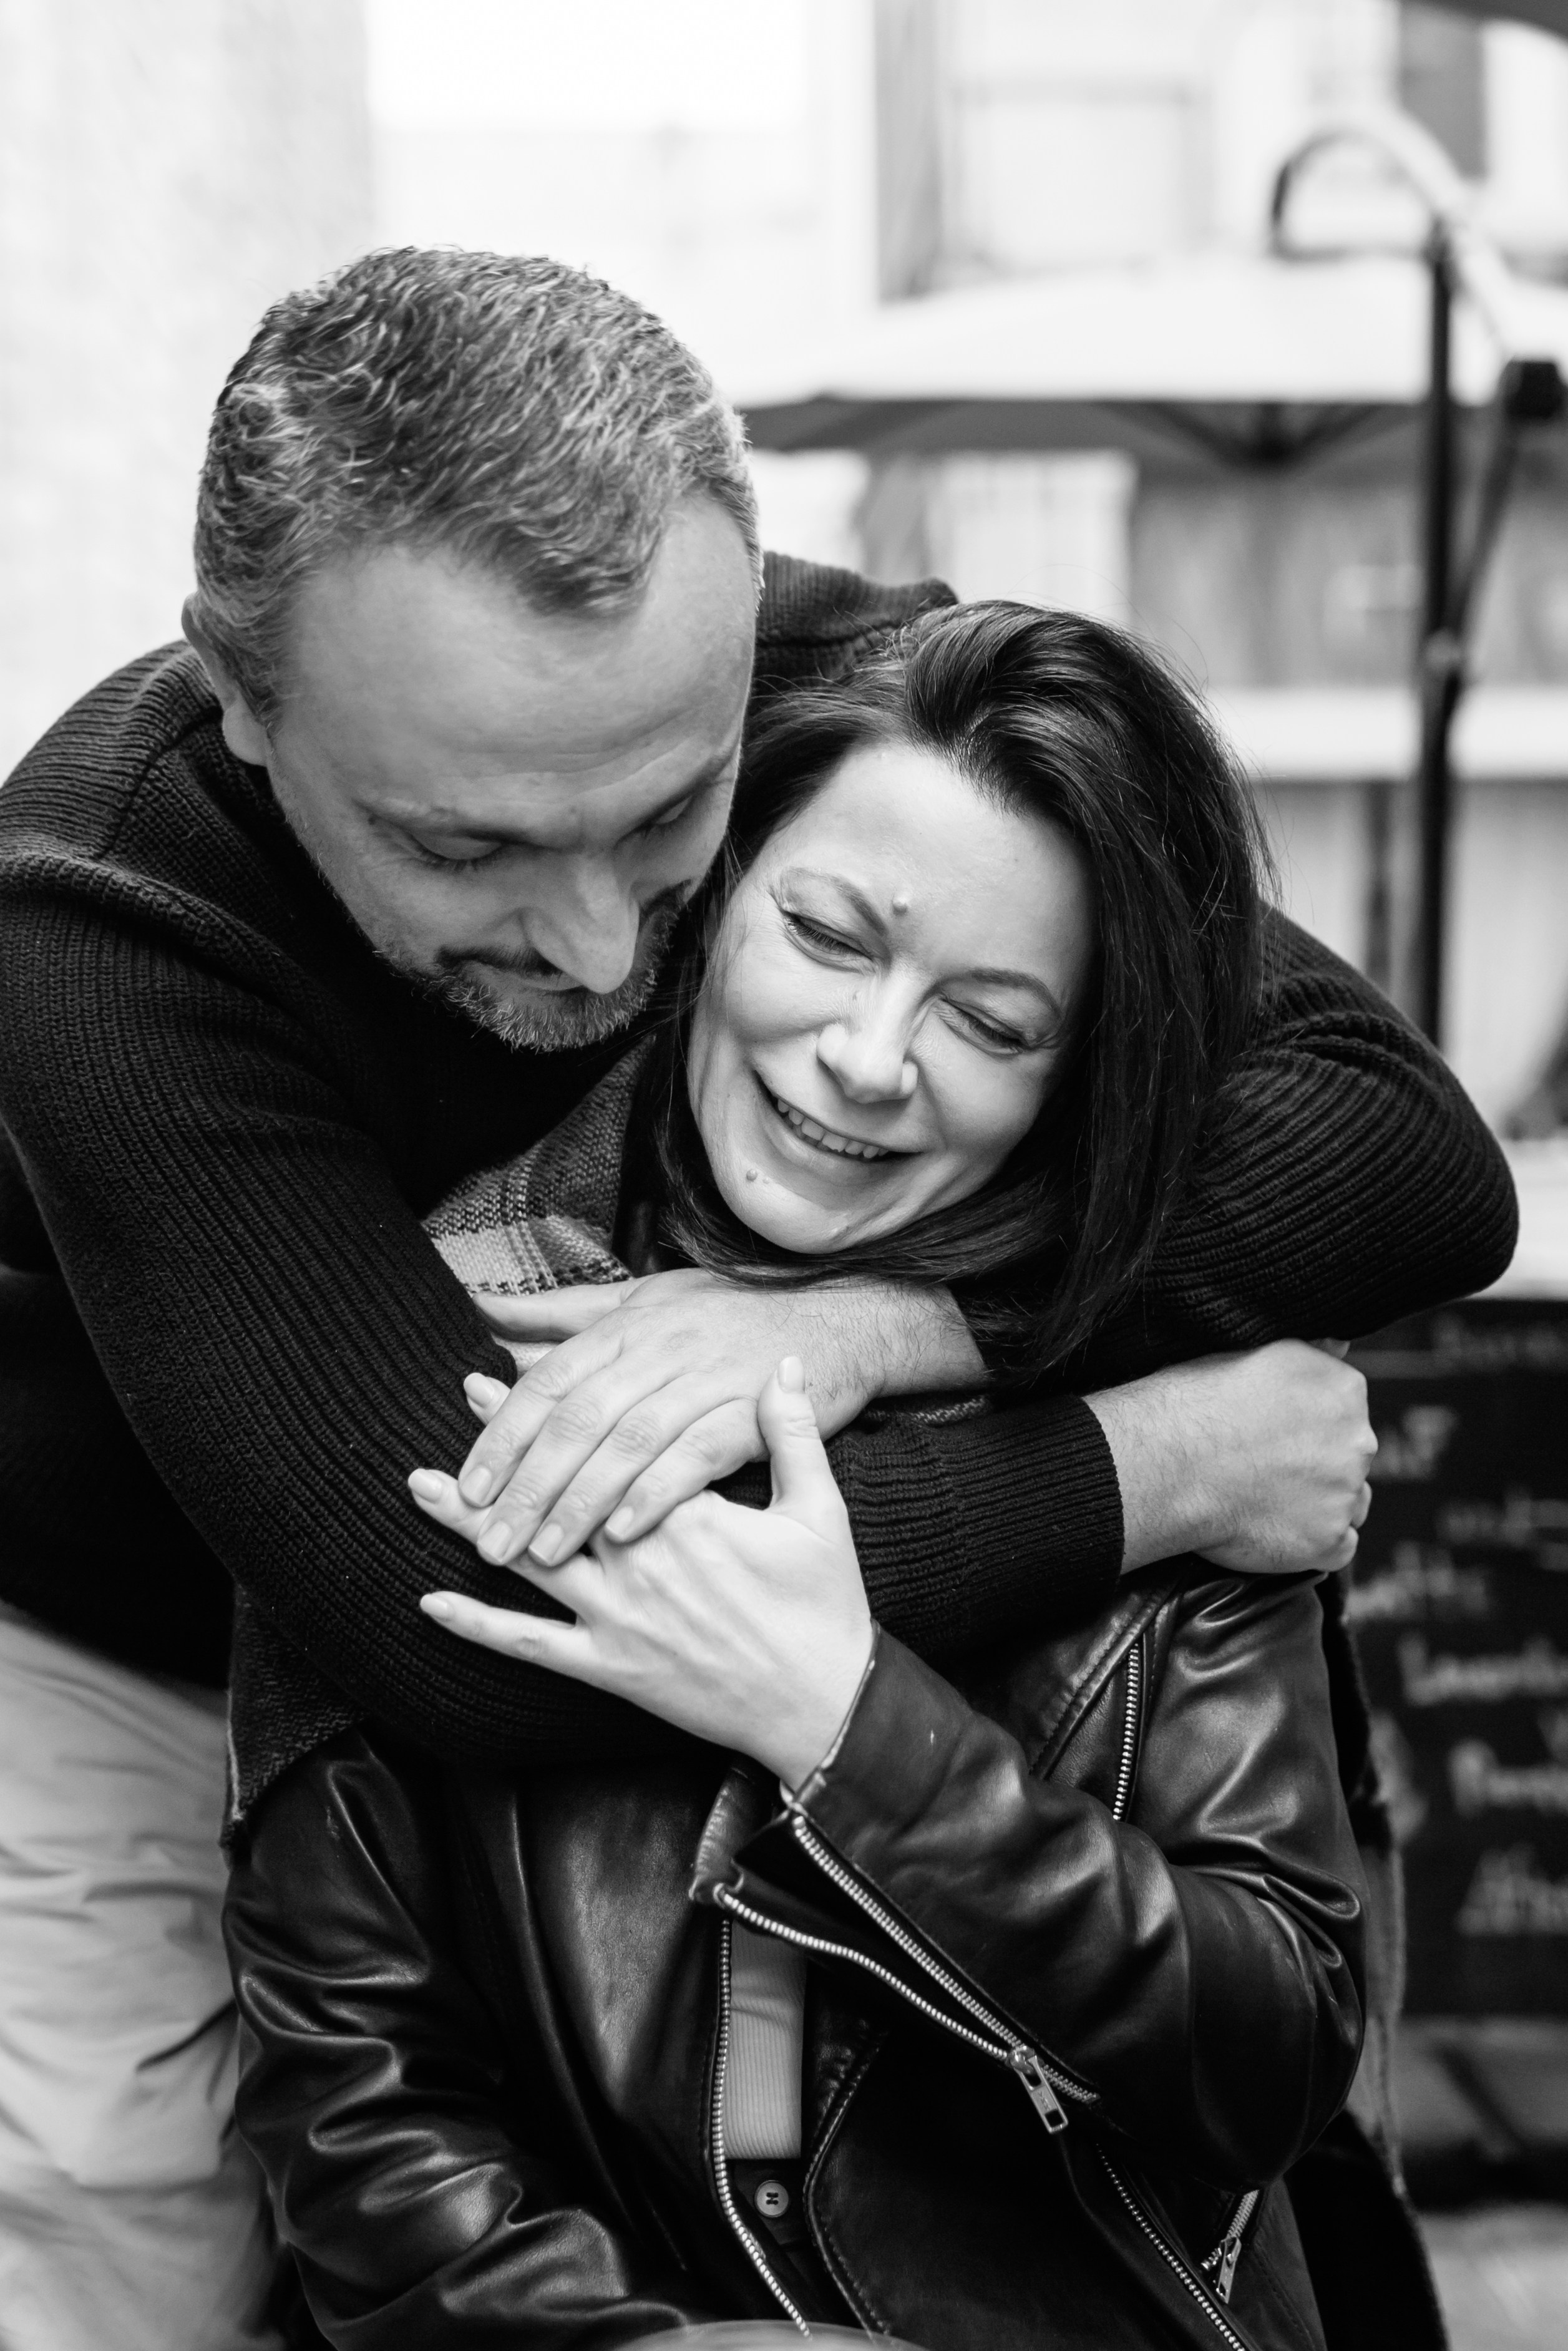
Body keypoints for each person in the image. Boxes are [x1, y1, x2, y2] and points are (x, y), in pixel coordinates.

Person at [0, 249, 1513, 2351]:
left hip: (679, 1539)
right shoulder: (99, 918)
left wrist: (881, 1327)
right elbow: (475, 1635)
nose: (603, 941)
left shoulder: (839, 703)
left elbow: (1407, 1156)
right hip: (142, 1624)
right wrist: (1145, 1460)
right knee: (130, 2236)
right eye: (468, 849)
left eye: (673, 824)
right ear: (245, 702)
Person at [229, 603, 1406, 2350]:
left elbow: (1267, 2056)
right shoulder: (431, 1336)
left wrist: (851, 1732)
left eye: (991, 1023)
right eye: (825, 933)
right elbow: (362, 2108)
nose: (869, 1059)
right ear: (705, 906)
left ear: (1073, 1076)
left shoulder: (1185, 1411)